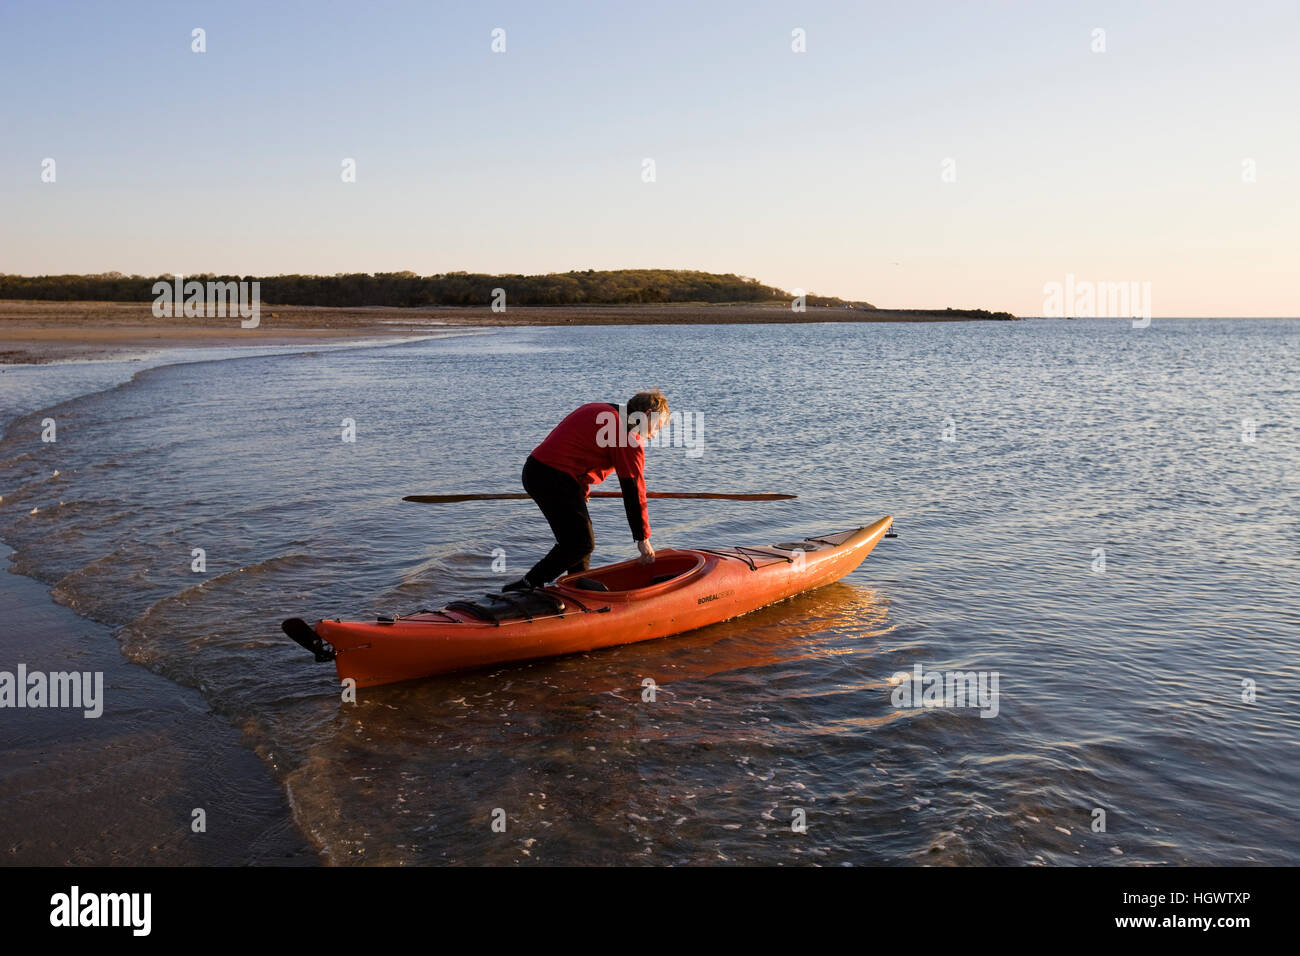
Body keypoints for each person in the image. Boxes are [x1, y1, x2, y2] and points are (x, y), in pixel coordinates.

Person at [503, 390, 670, 592]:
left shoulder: (601, 409)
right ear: (648, 414)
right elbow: (633, 491)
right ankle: (526, 585)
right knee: (581, 543)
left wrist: (581, 489)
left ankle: (578, 588)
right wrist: (642, 538)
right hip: (552, 477)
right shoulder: (627, 435)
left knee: (576, 542)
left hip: (536, 470)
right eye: (656, 427)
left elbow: (575, 447)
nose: (653, 435)